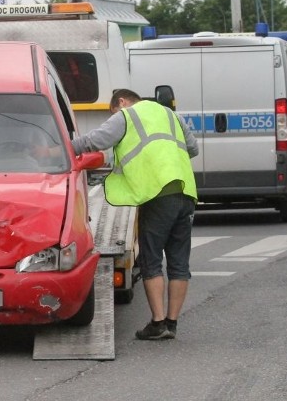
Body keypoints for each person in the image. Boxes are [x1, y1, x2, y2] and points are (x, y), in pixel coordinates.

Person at [70, 88, 198, 340]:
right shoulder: (172, 115)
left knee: (151, 259)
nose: (113, 116)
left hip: (157, 193)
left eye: (112, 112)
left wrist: (60, 148)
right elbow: (192, 149)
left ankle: (158, 323)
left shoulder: (126, 115)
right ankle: (172, 323)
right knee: (179, 263)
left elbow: (96, 140)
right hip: (186, 191)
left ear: (121, 102)